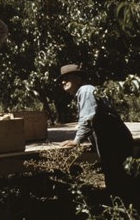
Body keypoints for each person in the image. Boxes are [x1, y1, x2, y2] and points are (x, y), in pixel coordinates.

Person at [58, 64, 135, 202]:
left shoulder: (85, 91)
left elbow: (88, 118)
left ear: (78, 78)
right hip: (114, 142)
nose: (63, 81)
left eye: (67, 77)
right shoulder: (84, 92)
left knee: (118, 181)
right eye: (62, 79)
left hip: (115, 143)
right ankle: (123, 213)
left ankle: (123, 214)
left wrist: (77, 141)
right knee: (118, 179)